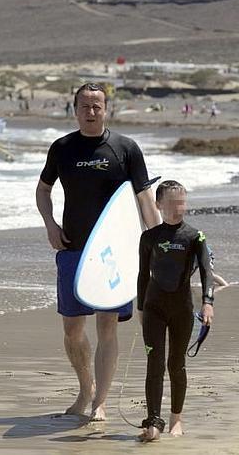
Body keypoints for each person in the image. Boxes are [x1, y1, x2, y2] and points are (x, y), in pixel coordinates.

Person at [36, 82, 160, 421]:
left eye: (97, 106)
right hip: (73, 248)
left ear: (106, 109)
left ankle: (100, 401)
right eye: (85, 106)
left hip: (115, 251)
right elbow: (43, 189)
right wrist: (49, 223)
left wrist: (157, 243)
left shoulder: (126, 148)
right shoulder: (62, 148)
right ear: (74, 109)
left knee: (108, 325)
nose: (91, 112)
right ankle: (86, 387)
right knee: (72, 330)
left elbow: (145, 200)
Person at [137, 180, 214, 442]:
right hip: (153, 308)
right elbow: (142, 275)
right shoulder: (149, 237)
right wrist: (140, 308)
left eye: (182, 202)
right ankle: (153, 421)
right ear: (159, 205)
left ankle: (176, 418)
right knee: (154, 363)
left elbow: (207, 272)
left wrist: (207, 302)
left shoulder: (195, 237)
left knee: (176, 364)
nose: (178, 208)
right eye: (172, 203)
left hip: (182, 308)